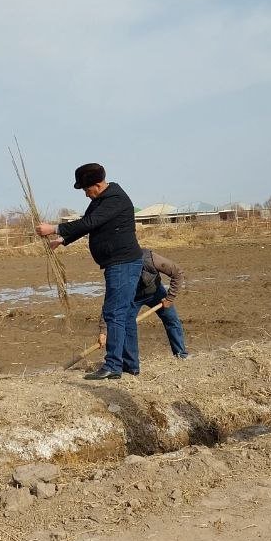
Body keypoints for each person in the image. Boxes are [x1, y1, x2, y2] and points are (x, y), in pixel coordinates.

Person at [37, 163, 143, 380]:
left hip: (123, 264)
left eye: (86, 190)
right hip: (118, 264)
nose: (86, 195)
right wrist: (63, 239)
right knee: (125, 314)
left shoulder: (115, 199)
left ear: (97, 185)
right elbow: (88, 225)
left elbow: (91, 222)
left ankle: (113, 365)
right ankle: (130, 365)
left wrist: (54, 228)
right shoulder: (100, 200)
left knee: (114, 313)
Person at [100, 248, 189, 359]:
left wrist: (170, 298)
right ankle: (130, 363)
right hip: (132, 298)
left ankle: (181, 354)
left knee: (172, 320)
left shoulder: (150, 258)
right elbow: (111, 301)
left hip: (155, 292)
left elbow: (177, 272)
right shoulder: (118, 269)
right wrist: (103, 331)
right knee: (127, 326)